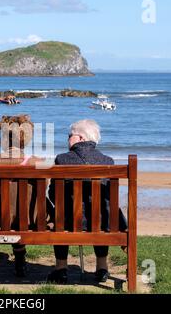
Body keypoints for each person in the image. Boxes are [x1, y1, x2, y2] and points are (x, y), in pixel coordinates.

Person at [46, 119, 128, 284]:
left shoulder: (62, 159)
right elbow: (109, 197)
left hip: (68, 221)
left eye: (70, 135)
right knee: (102, 212)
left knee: (60, 214)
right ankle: (102, 268)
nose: (67, 139)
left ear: (81, 138)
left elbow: (53, 193)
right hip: (103, 222)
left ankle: (61, 269)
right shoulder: (108, 161)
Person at [0, 115, 52, 277]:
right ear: (25, 140)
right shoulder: (39, 163)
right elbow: (43, 191)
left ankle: (19, 256)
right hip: (33, 219)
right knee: (23, 207)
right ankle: (20, 257)